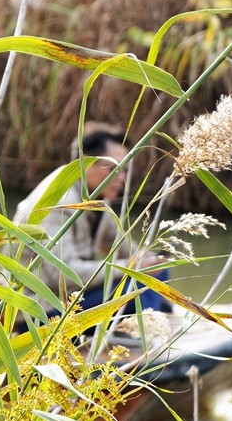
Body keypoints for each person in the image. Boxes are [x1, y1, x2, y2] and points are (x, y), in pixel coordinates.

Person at [13, 130, 170, 314]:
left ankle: (153, 317)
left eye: (125, 170)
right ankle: (149, 331)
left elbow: (122, 244)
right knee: (136, 289)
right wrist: (131, 266)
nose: (122, 178)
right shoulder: (59, 201)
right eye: (114, 169)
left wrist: (149, 260)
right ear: (86, 163)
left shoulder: (98, 197)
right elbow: (63, 275)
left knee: (157, 269)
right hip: (41, 308)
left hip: (74, 296)